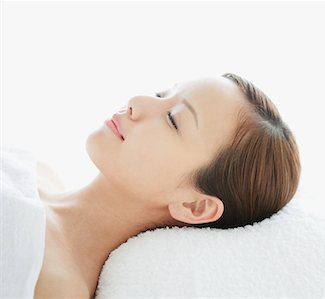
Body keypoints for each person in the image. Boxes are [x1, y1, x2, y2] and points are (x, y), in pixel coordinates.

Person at [34, 72, 301, 298]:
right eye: (161, 94)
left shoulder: (50, 282)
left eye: (173, 119)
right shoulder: (37, 172)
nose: (136, 102)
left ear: (195, 206)